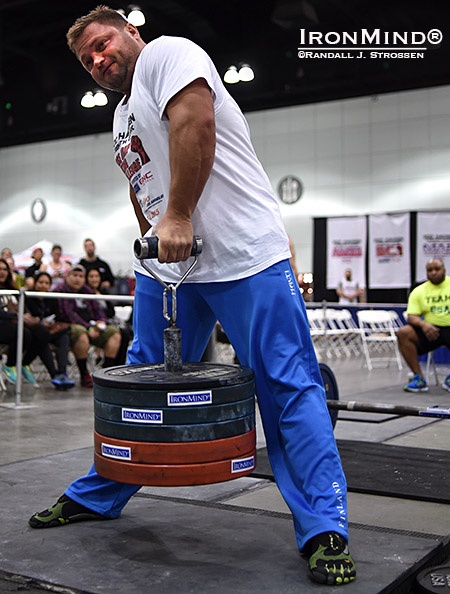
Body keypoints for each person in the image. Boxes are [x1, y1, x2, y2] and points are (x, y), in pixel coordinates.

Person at [28, 7, 356, 587]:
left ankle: (324, 526)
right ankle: (101, 491)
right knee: (138, 382)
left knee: (285, 384)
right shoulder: (121, 115)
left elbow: (194, 123)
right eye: (88, 60)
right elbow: (141, 185)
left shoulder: (167, 54)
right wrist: (155, 235)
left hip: (244, 256)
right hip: (170, 267)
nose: (99, 61)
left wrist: (178, 214)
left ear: (131, 30)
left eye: (104, 44)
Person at [56, 264, 121, 388]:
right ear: (67, 276)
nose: (77, 279)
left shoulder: (87, 291)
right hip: (71, 327)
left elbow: (98, 311)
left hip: (91, 327)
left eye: (81, 276)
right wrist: (88, 328)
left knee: (114, 333)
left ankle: (106, 372)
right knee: (81, 333)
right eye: (74, 275)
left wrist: (101, 322)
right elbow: (68, 314)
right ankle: (84, 373)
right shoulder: (60, 290)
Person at [397, 258, 450, 393]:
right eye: (429, 270)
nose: (433, 273)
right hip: (431, 331)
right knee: (404, 333)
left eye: (437, 269)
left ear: (444, 270)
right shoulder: (419, 291)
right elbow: (412, 316)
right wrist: (424, 325)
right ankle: (419, 379)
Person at [25, 272, 75, 389]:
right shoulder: (28, 299)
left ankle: (62, 372)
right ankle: (54, 375)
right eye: (41, 282)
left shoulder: (52, 299)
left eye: (47, 283)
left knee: (64, 337)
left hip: (51, 331)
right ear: (35, 283)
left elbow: (57, 316)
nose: (43, 285)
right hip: (34, 333)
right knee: (43, 340)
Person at [0, 258, 42, 385]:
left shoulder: (13, 289)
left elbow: (23, 305)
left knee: (42, 333)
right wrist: (15, 315)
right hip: (3, 323)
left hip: (16, 321)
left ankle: (25, 363)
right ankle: (10, 364)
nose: (2, 272)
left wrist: (27, 315)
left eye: (4, 269)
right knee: (23, 333)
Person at [86, 267, 132, 365]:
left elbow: (111, 311)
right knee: (117, 334)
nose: (94, 279)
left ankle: (119, 365)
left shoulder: (103, 292)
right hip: (96, 323)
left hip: (108, 320)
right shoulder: (86, 294)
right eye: (91, 276)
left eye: (96, 276)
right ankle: (109, 365)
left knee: (125, 333)